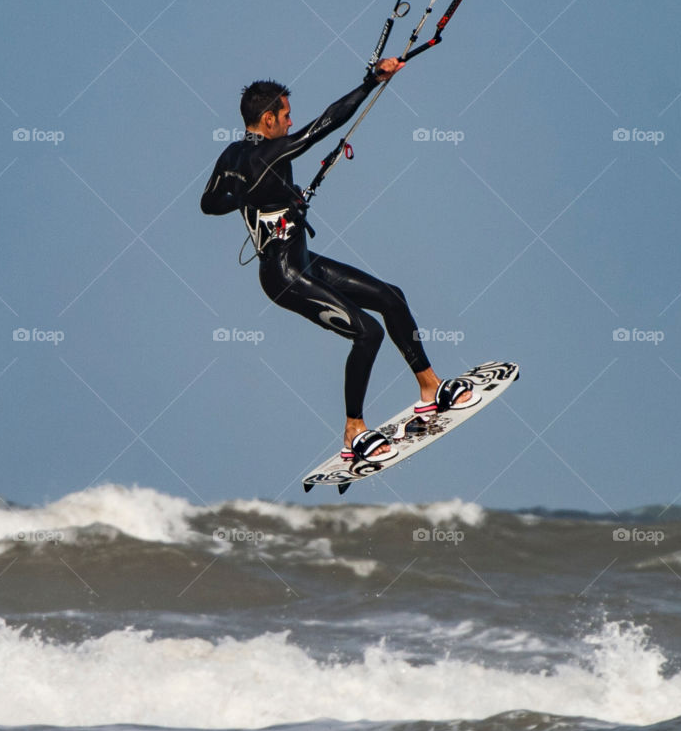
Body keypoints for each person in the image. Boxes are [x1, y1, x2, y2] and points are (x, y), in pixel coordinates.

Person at [201, 59, 477, 462]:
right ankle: (353, 430)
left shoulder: (231, 156)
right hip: (283, 275)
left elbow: (209, 203)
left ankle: (429, 386)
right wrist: (370, 83)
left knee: (391, 297)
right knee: (368, 333)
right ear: (268, 119)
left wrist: (247, 200)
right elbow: (325, 125)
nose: (291, 123)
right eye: (286, 116)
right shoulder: (269, 155)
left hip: (304, 262)